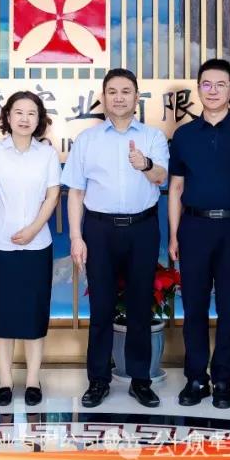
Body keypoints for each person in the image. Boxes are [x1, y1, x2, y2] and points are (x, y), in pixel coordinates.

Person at [63, 68, 169, 409]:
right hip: (99, 230)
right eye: (112, 91)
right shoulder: (87, 140)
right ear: (103, 98)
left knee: (140, 305)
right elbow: (75, 192)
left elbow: (161, 177)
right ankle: (98, 380)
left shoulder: (152, 137)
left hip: (142, 228)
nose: (119, 97)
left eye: (126, 91)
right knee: (101, 307)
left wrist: (145, 164)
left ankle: (141, 380)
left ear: (137, 97)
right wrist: (76, 237)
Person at [167, 58, 230, 410]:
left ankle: (223, 380)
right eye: (207, 84)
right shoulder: (184, 135)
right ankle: (195, 378)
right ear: (198, 88)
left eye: (221, 85)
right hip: (194, 227)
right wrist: (174, 235)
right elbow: (176, 188)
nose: (214, 91)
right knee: (193, 306)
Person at [0, 91, 61, 407]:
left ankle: (33, 380)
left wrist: (34, 228)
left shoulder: (47, 154)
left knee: (33, 314)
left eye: (31, 113)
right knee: (1, 314)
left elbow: (53, 195)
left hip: (37, 244)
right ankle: (5, 381)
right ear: (8, 117)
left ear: (39, 119)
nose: (25, 118)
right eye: (19, 112)